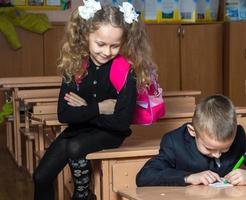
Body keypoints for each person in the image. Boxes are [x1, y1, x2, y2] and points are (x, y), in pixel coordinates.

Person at [33, 1, 157, 199]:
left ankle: (83, 194)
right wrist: (99, 107)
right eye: (100, 44)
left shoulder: (127, 70)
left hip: (110, 134)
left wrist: (83, 110)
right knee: (40, 177)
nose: (106, 52)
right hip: (78, 130)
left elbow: (120, 123)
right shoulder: (75, 64)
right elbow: (64, 114)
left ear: (123, 42)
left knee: (75, 147)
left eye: (114, 46)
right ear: (86, 36)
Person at [136, 95, 246, 186]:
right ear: (192, 131)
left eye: (224, 149)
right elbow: (145, 176)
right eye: (209, 149)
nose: (218, 155)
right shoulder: (175, 142)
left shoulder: (237, 139)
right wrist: (189, 177)